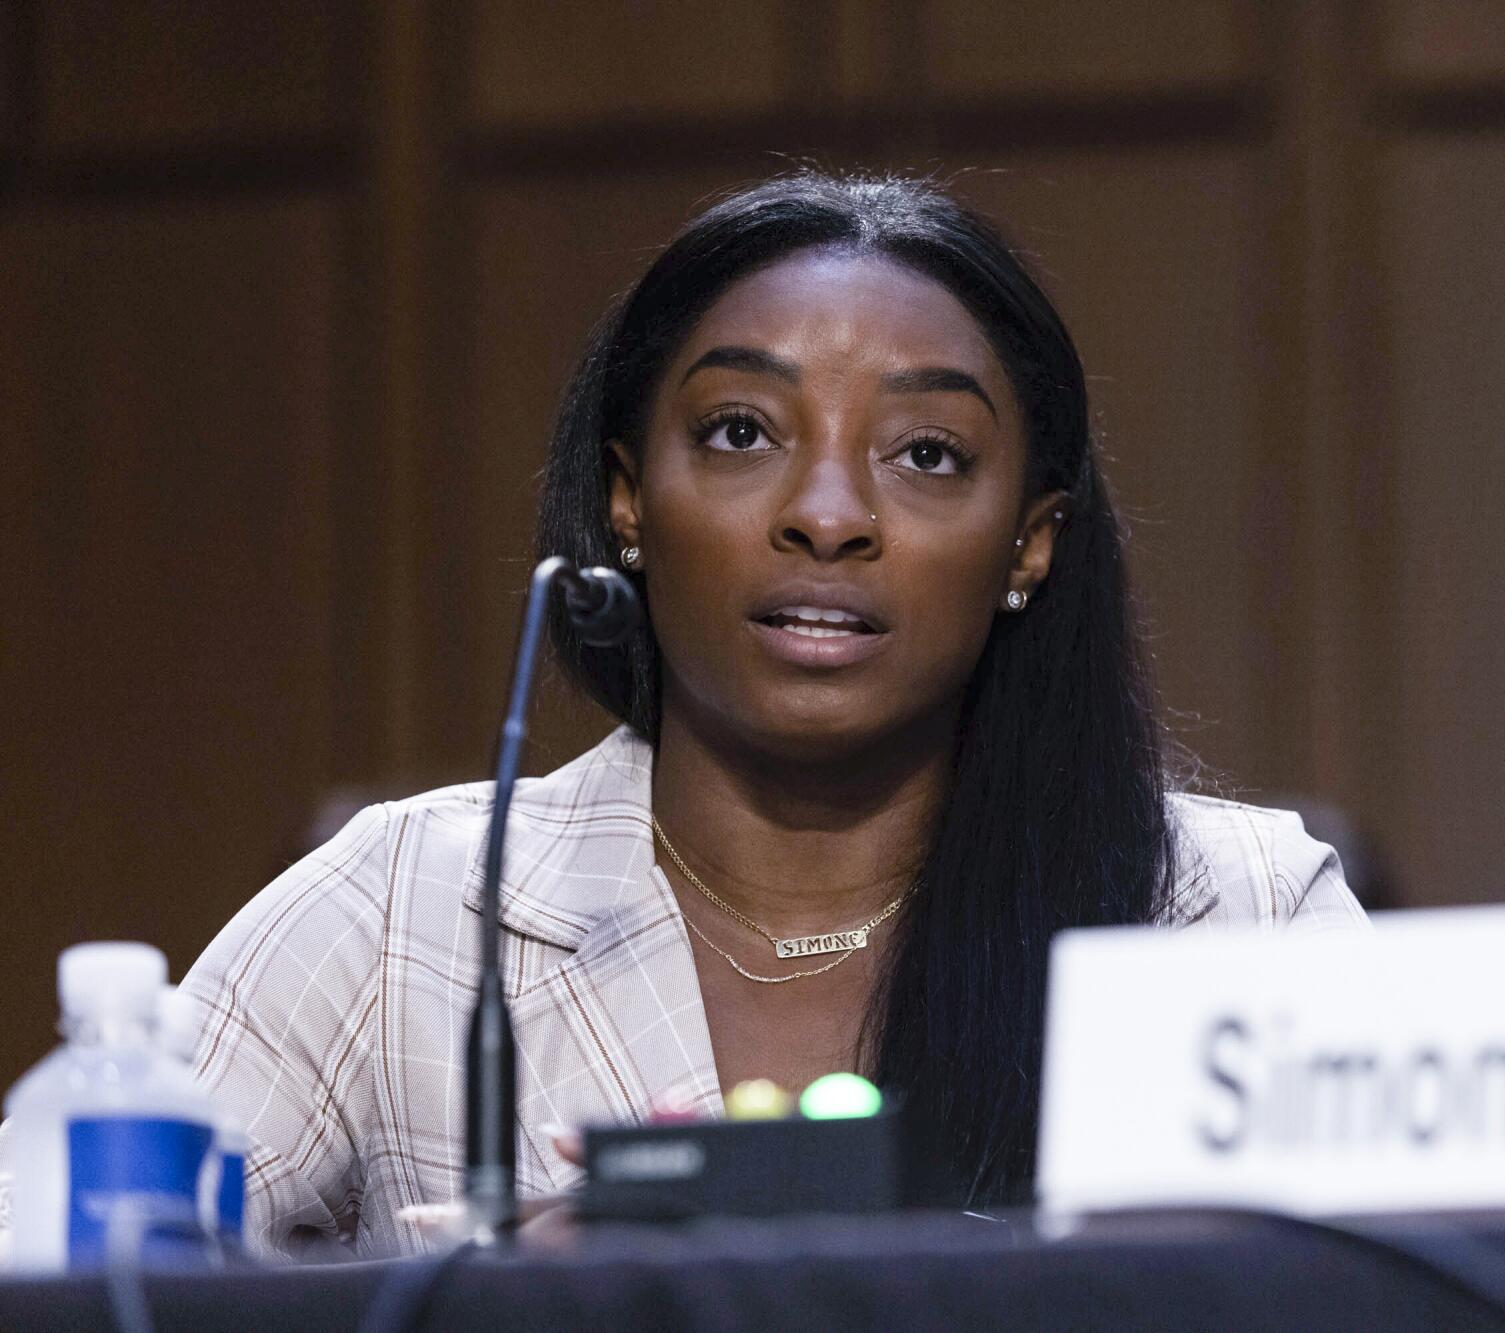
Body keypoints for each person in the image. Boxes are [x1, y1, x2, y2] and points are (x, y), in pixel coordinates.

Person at [0, 171, 1365, 1259]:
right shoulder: (406, 906)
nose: (826, 514)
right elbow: (62, 1269)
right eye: (739, 433)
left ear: (1031, 543)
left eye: (928, 454)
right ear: (626, 502)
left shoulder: (1229, 916)